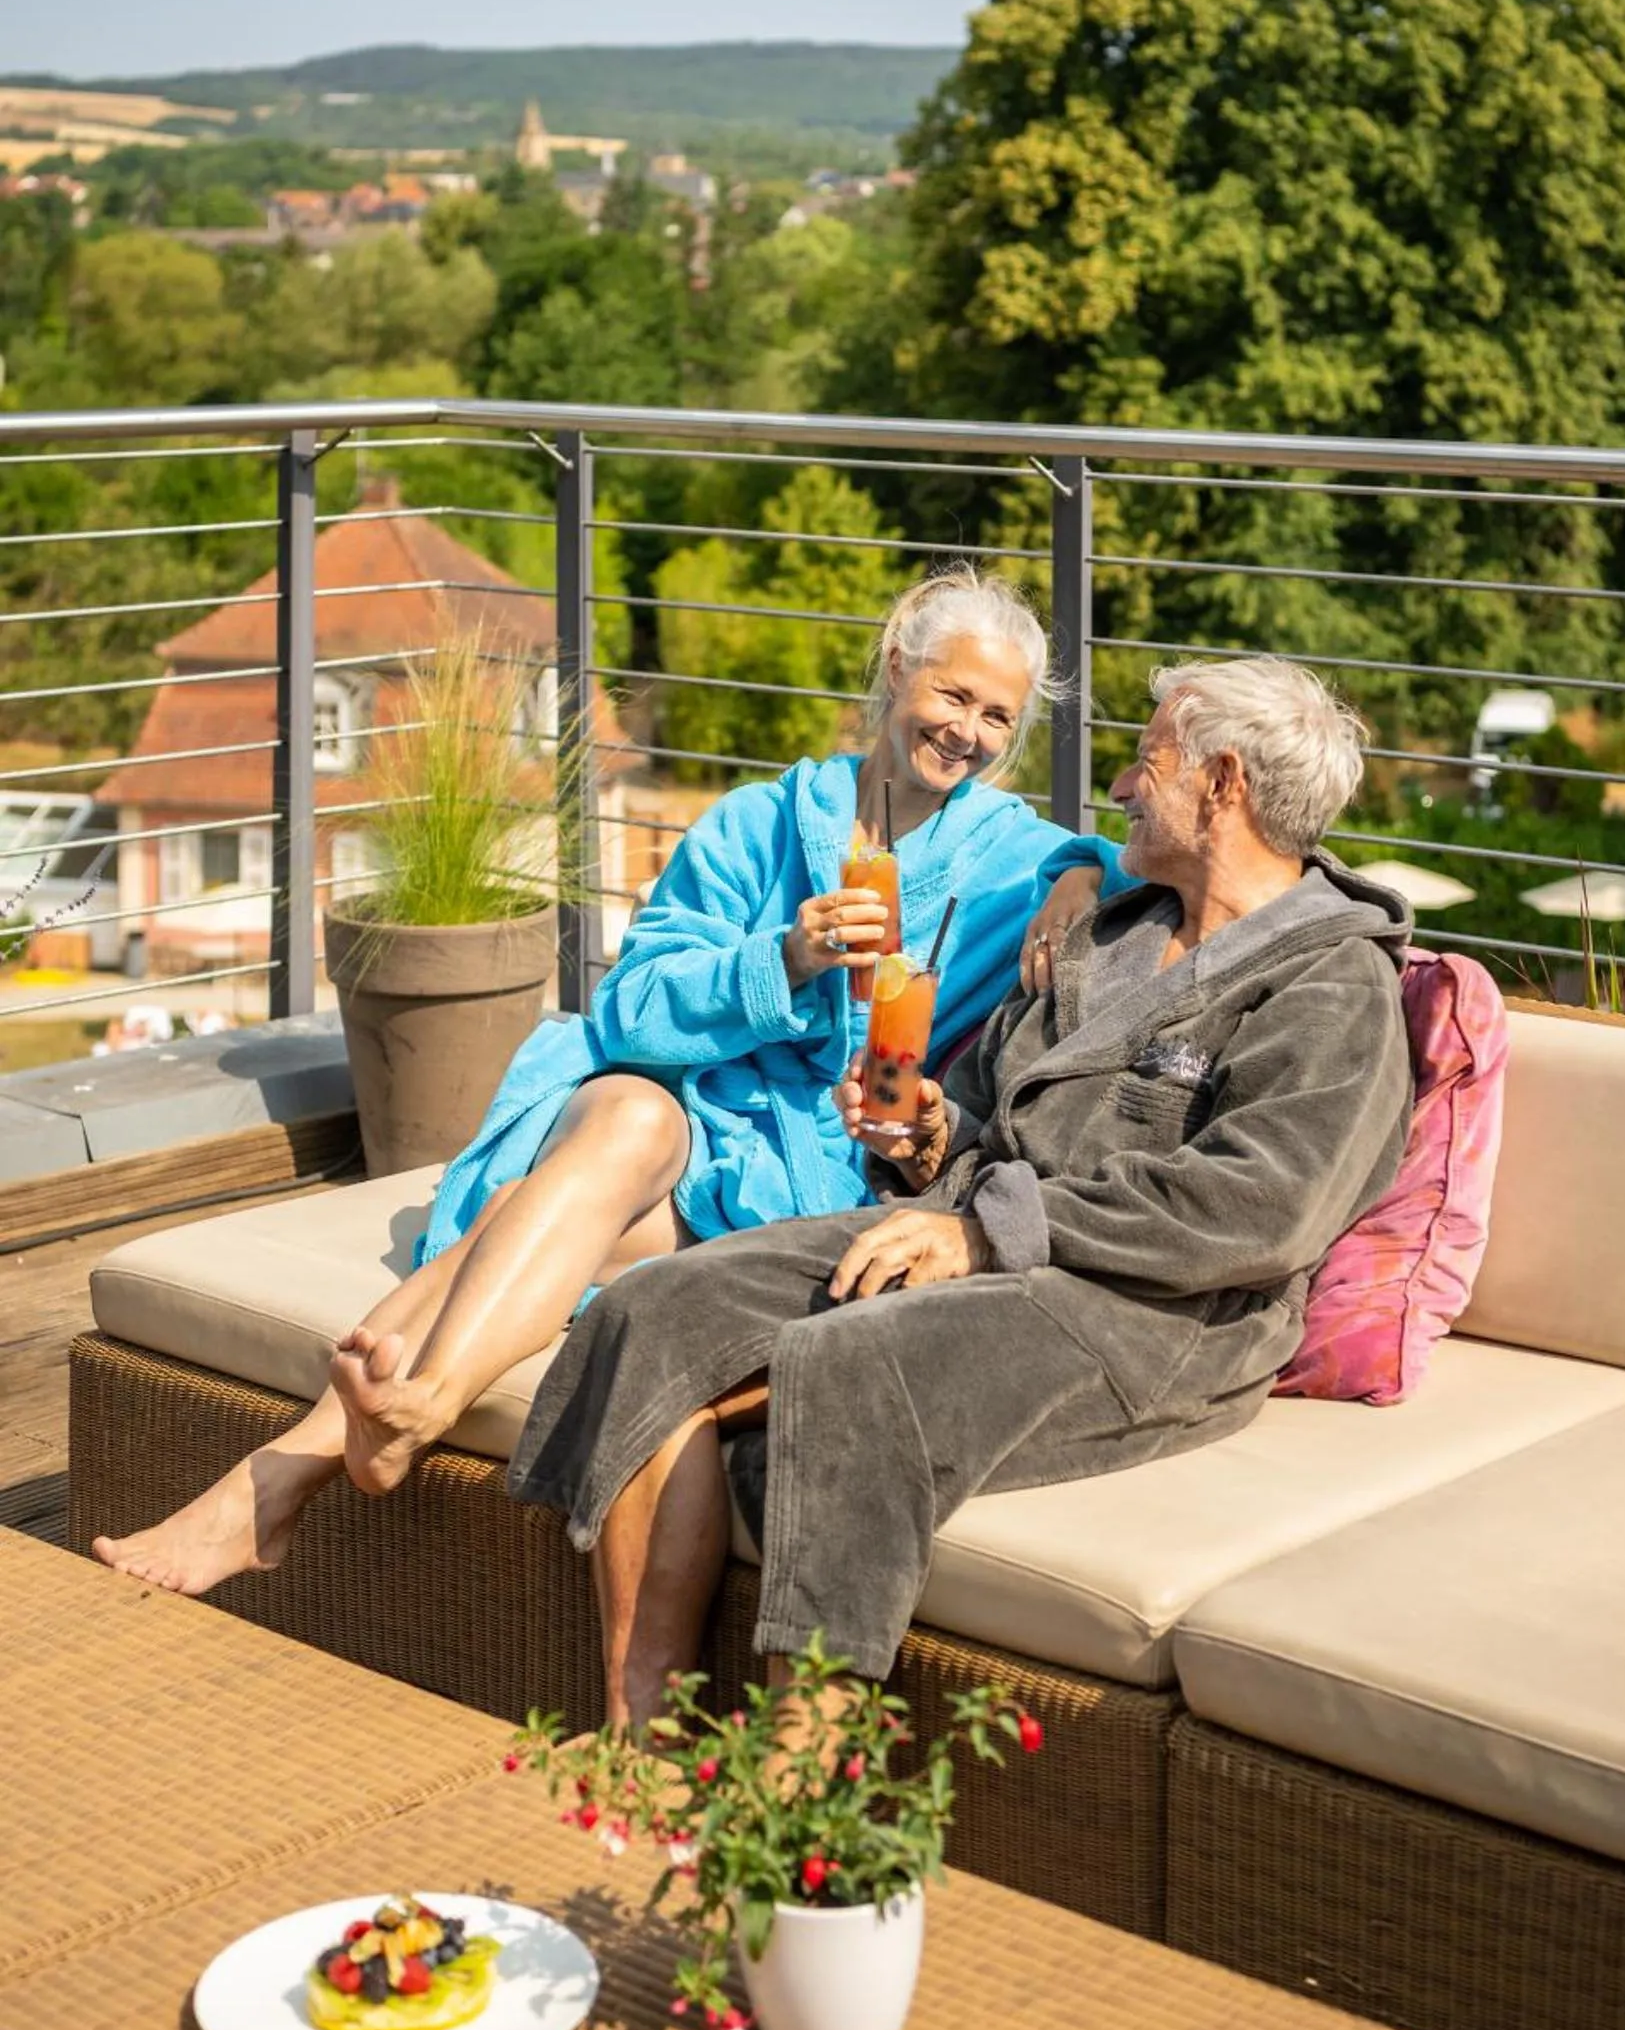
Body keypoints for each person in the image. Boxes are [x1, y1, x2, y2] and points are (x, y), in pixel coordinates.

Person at [94, 565, 1114, 1596]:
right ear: (899, 671)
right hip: (692, 1122)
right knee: (625, 1109)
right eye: (952, 695)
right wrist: (784, 959)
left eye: (998, 716)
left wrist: (1079, 867)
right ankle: (397, 1421)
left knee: (520, 1217)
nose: (969, 732)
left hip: (809, 1173)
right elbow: (634, 1009)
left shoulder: (1011, 857)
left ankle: (282, 1481)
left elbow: (1161, 863)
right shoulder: (759, 824)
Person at [507, 656, 1417, 1726]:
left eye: (1148, 760)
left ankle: (799, 1782)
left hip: (1155, 1312)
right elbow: (982, 1113)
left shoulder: (1332, 984)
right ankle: (642, 1724)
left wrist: (986, 1235)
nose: (1123, 785)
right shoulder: (1110, 930)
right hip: (973, 1233)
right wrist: (929, 1133)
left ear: (1221, 785)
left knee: (847, 1361)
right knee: (656, 1303)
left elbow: (1258, 1212)